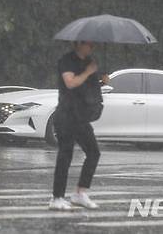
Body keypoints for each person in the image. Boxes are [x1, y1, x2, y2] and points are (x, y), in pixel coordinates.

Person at [49, 40, 109, 211]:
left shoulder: (90, 62)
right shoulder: (67, 60)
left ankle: (80, 193)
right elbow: (71, 83)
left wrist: (101, 80)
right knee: (65, 155)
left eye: (93, 44)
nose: (92, 47)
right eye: (89, 44)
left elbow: (86, 87)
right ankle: (57, 197)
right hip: (66, 115)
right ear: (79, 44)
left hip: (81, 116)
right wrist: (89, 72)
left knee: (93, 152)